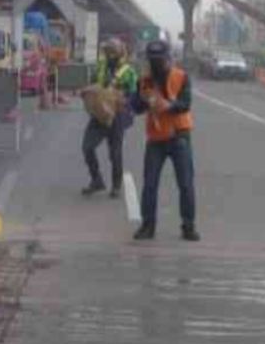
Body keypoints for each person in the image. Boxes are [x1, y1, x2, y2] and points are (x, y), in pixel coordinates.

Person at [131, 40, 199, 242]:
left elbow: (185, 103)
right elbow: (137, 106)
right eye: (152, 60)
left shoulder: (181, 76)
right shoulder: (144, 80)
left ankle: (188, 226)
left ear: (168, 58)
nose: (156, 64)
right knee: (150, 184)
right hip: (156, 138)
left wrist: (167, 106)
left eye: (159, 60)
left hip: (179, 135)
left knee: (185, 183)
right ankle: (147, 226)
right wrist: (137, 102)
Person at [82, 38, 138, 197]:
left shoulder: (129, 71)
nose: (109, 54)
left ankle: (116, 186)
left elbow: (134, 96)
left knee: (115, 153)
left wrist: (123, 99)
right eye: (107, 51)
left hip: (117, 116)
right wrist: (86, 91)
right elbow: (92, 84)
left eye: (112, 51)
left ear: (120, 52)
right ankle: (97, 180)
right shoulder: (101, 67)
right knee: (87, 147)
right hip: (99, 115)